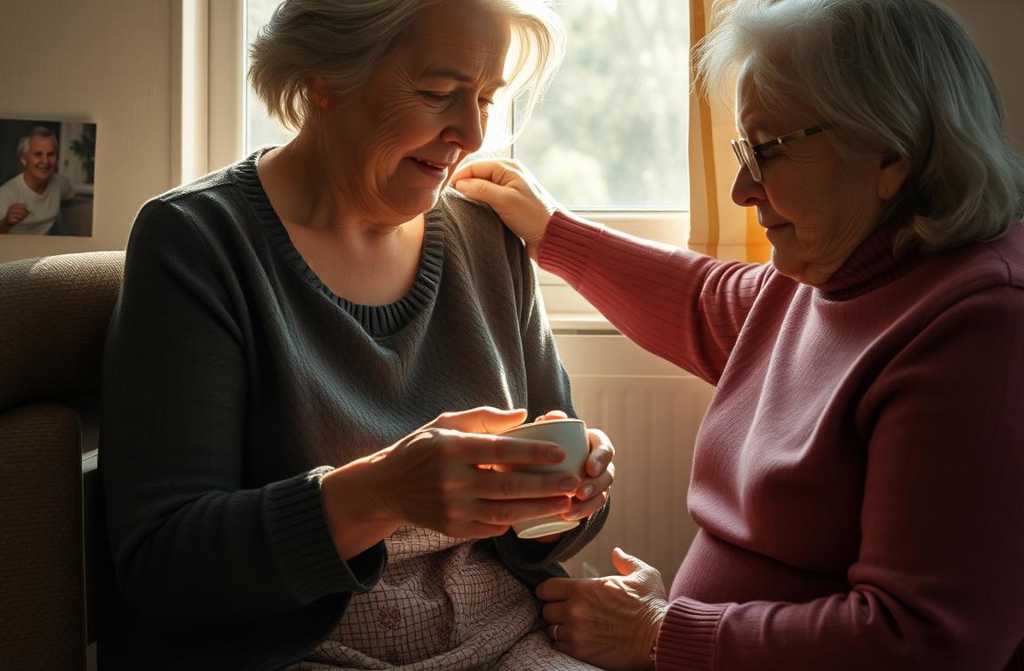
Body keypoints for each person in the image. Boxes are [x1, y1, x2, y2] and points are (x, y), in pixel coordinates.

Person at [452, 0, 1024, 668]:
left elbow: (921, 641)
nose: (742, 189)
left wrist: (663, 633)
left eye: (768, 151)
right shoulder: (835, 265)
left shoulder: (981, 329)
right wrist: (552, 230)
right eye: (742, 149)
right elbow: (702, 300)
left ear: (889, 154)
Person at [100, 1, 615, 669]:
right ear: (324, 78)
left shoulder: (488, 239)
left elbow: (548, 519)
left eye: (487, 97)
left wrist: (577, 490)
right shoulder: (199, 243)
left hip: (511, 640)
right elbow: (163, 562)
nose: (472, 130)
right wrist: (378, 493)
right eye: (438, 93)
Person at [0, 126, 73, 234]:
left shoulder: (61, 183)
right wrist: (6, 222)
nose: (45, 161)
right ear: (23, 159)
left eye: (51, 154)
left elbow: (71, 199)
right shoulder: (5, 194)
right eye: (38, 154)